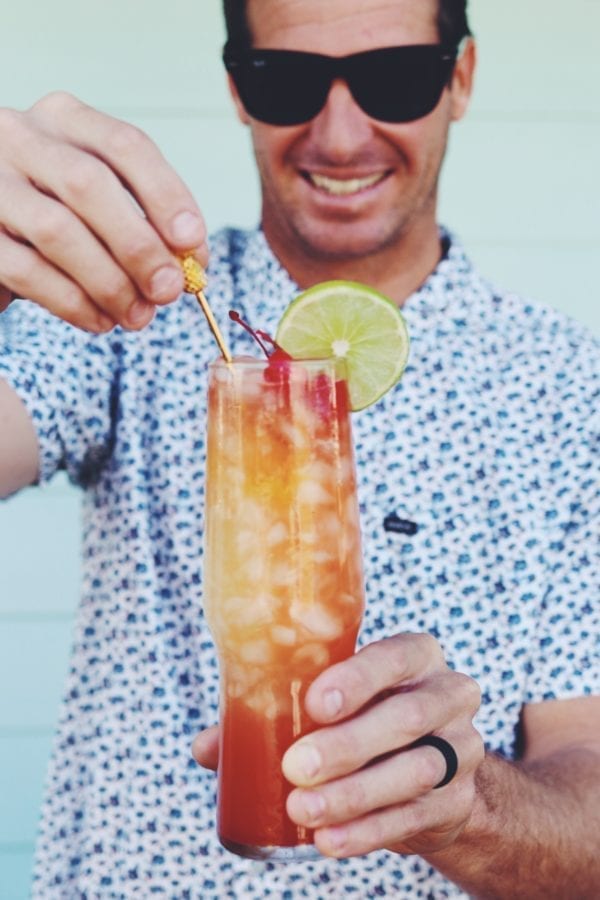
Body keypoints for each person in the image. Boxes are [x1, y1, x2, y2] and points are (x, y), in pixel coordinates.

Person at [0, 0, 598, 896]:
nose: (342, 134)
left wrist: (470, 808)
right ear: (239, 88)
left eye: (396, 76)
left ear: (460, 79)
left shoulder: (570, 389)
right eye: (288, 81)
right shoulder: (129, 307)